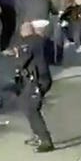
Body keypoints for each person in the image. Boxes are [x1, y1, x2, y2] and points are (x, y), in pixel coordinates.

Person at [14, 22, 54, 153]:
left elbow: (22, 61)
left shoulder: (27, 42)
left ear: (23, 32)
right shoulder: (42, 40)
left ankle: (45, 141)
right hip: (43, 78)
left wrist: (16, 56)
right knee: (24, 103)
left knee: (31, 108)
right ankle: (37, 135)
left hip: (37, 81)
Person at [35, 0, 69, 65]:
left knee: (58, 36)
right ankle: (49, 58)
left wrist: (62, 11)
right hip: (45, 11)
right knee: (47, 36)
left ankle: (58, 58)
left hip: (56, 11)